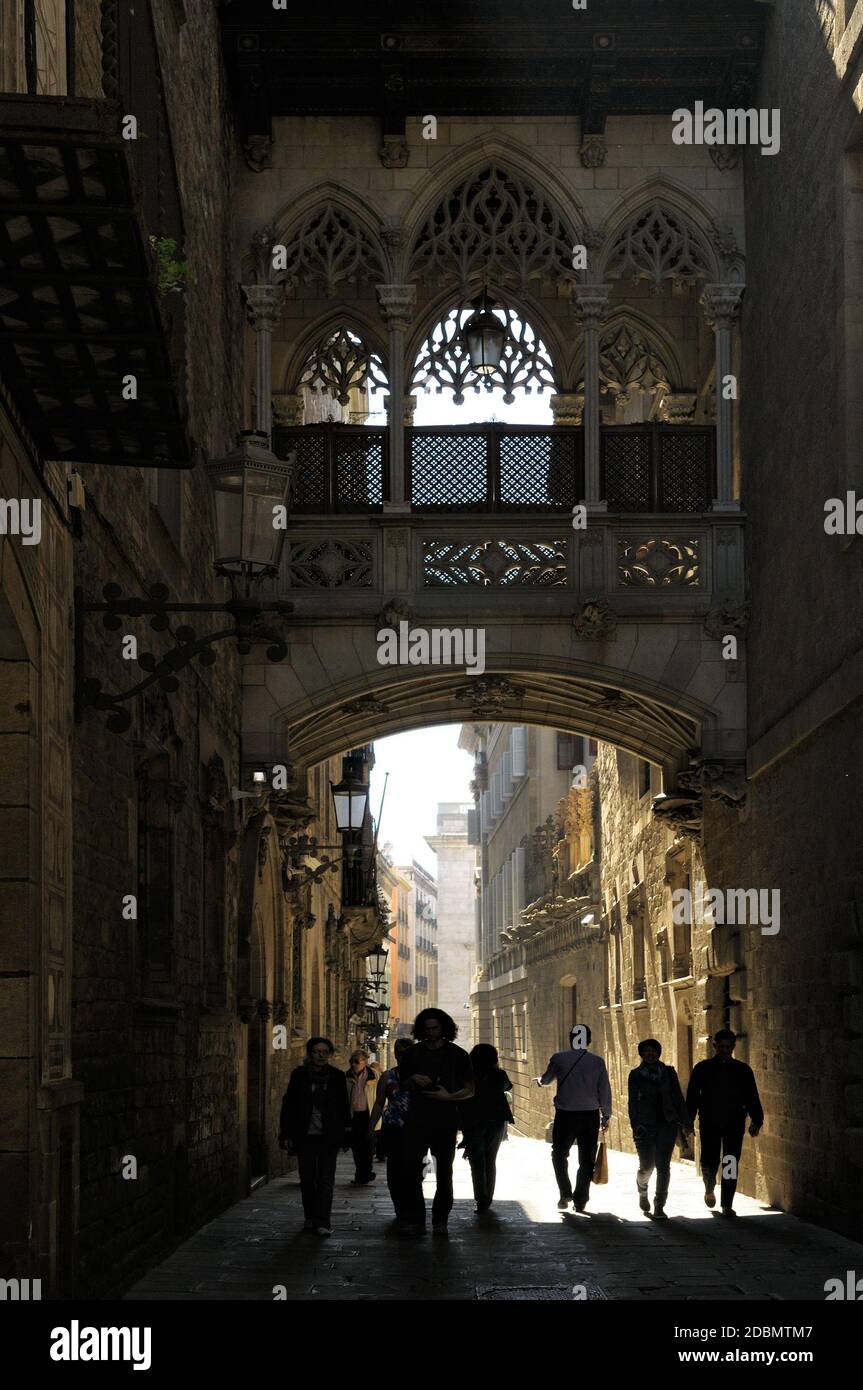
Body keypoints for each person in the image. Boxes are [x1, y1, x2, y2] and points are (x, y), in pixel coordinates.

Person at [398, 1008, 475, 1237]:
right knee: (412, 1172)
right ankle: (417, 1218)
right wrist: (412, 1078)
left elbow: (470, 1090)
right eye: (427, 1029)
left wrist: (448, 1097)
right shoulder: (412, 1054)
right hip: (416, 1120)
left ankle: (440, 1220)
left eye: (435, 1028)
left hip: (445, 1120)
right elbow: (401, 1085)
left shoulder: (458, 1055)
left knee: (445, 1172)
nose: (431, 1033)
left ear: (444, 1028)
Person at [686, 1027, 763, 1217]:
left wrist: (756, 1120)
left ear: (733, 1047)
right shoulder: (702, 1069)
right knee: (709, 1159)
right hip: (709, 1121)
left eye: (729, 1047)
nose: (725, 1050)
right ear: (715, 1046)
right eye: (721, 1046)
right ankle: (709, 1186)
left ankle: (727, 1203)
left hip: (734, 1122)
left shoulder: (743, 1070)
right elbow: (693, 1097)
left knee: (730, 1161)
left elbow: (752, 1096)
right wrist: (688, 1121)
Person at [279, 1037, 351, 1236]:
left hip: (329, 1136)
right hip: (306, 1135)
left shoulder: (336, 1077)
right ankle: (310, 1216)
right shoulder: (300, 1076)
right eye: (317, 1052)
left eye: (324, 1052)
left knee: (326, 1179)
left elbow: (344, 1107)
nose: (321, 1055)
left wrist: (346, 1134)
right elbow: (289, 1106)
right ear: (310, 1054)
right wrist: (286, 1133)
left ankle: (323, 1221)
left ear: (329, 1054)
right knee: (308, 1179)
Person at [536, 1024, 611, 1214]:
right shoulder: (597, 1062)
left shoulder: (559, 1058)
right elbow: (604, 1090)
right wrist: (606, 1115)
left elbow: (546, 1080)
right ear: (589, 1041)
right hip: (589, 1115)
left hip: (566, 1115)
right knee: (586, 1160)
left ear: (572, 1039)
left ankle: (565, 1192)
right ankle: (581, 1199)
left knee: (559, 1154)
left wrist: (539, 1081)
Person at [627, 1038, 692, 1220]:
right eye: (646, 1051)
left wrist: (686, 1122)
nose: (650, 1054)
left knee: (663, 1166)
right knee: (647, 1166)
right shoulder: (636, 1075)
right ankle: (642, 1189)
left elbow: (678, 1098)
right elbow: (632, 1102)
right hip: (645, 1127)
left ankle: (659, 1205)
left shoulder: (669, 1073)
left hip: (667, 1124)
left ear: (659, 1053)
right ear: (641, 1054)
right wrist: (635, 1125)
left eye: (653, 1051)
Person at [460, 1043, 514, 1215]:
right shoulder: (499, 1074)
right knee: (490, 1160)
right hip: (495, 1120)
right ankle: (487, 1198)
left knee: (476, 1162)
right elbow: (507, 1086)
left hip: (473, 1120)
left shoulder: (467, 1074)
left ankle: (480, 1197)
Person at [368, 1037, 415, 1223]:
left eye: (406, 1053)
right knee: (394, 1169)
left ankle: (410, 1205)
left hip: (416, 1130)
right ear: (395, 1054)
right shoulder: (388, 1076)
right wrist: (371, 1127)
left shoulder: (422, 1076)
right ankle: (400, 1206)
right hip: (394, 1128)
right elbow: (380, 1103)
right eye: (399, 1053)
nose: (402, 1056)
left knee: (413, 1169)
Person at [345, 1048, 378, 1185]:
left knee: (368, 1146)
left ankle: (366, 1172)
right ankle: (361, 1173)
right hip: (354, 1116)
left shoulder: (374, 1076)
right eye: (351, 1061)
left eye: (356, 1061)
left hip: (368, 1115)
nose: (353, 1064)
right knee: (356, 1146)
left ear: (364, 1062)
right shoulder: (346, 1077)